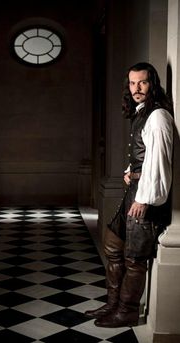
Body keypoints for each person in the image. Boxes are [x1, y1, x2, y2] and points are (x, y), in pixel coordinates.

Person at [85, 62, 173, 328]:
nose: (136, 88)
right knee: (113, 246)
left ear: (153, 84)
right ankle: (113, 304)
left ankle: (127, 311)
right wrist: (129, 172)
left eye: (143, 82)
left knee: (134, 257)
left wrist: (144, 199)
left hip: (143, 197)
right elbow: (142, 156)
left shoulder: (157, 116)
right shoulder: (140, 113)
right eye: (133, 83)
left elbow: (159, 162)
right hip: (134, 190)